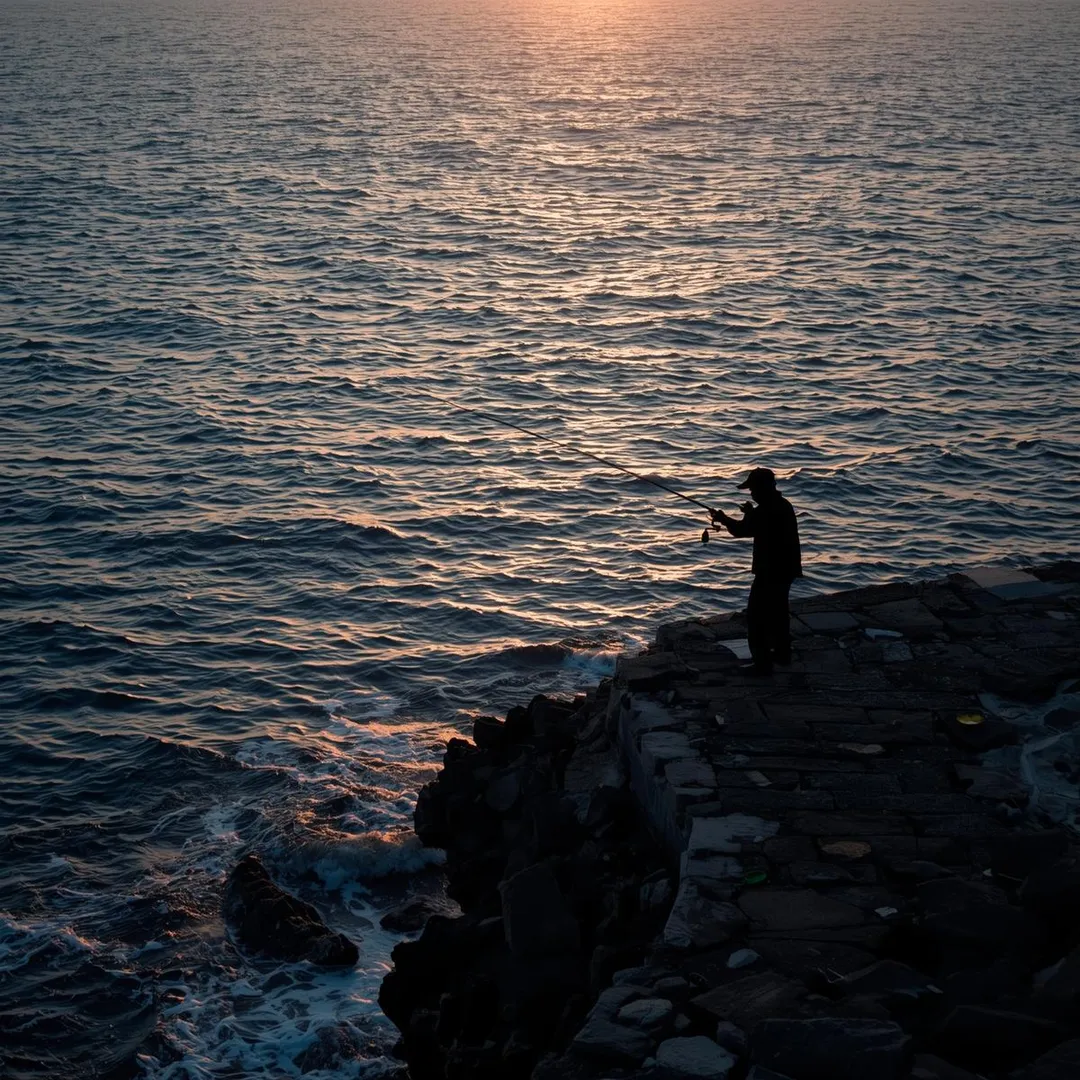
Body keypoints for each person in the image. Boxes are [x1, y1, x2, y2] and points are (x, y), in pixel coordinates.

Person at [710, 467, 802, 675]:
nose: (751, 493)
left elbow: (743, 531)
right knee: (779, 613)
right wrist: (750, 513)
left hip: (771, 570)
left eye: (752, 489)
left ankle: (762, 664)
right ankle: (782, 654)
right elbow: (759, 525)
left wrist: (723, 519)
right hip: (786, 569)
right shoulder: (781, 505)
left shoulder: (767, 509)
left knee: (757, 616)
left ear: (762, 488)